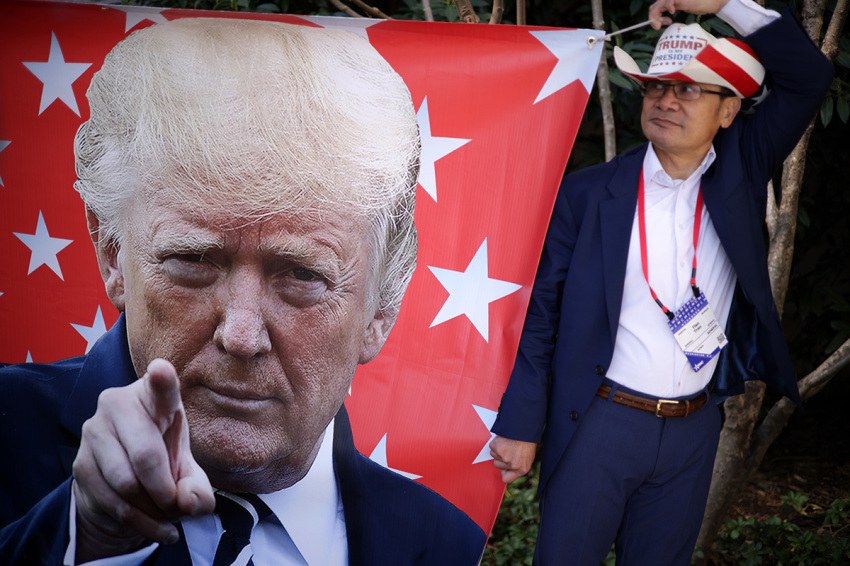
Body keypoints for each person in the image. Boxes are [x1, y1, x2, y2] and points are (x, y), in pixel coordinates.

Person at [0, 17, 486, 565]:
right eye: (193, 259)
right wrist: (86, 544)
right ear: (112, 249)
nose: (241, 334)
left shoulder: (448, 547)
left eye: (302, 275)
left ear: (382, 306)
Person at [489, 0, 833, 564]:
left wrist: (723, 5)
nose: (666, 101)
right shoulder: (588, 193)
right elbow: (541, 313)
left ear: (729, 113)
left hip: (692, 432)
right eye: (655, 88)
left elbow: (810, 76)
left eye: (690, 89)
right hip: (598, 423)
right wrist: (521, 423)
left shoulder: (741, 171)